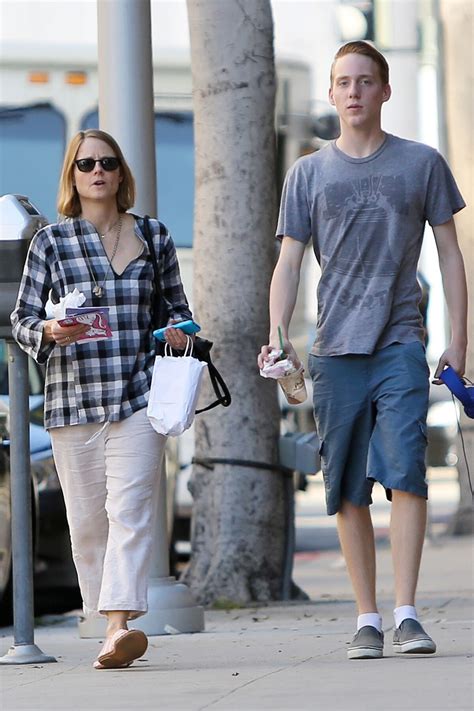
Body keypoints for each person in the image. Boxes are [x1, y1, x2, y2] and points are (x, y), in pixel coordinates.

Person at [258, 41, 468, 660]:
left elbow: (451, 253)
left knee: (406, 471)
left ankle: (406, 613)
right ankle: (367, 618)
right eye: (342, 83)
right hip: (333, 351)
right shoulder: (308, 173)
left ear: (384, 91)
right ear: (331, 94)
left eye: (364, 82)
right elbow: (289, 260)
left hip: (401, 341)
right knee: (347, 486)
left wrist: (462, 341)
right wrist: (276, 336)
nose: (353, 92)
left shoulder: (421, 164)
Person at [11, 129, 193, 669]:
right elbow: (20, 319)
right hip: (72, 401)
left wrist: (179, 332)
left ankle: (118, 627)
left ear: (120, 174)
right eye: (86, 163)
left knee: (131, 512)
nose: (97, 171)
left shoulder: (154, 236)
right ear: (72, 174)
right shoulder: (51, 242)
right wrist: (49, 331)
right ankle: (104, 617)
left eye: (107, 162)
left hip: (138, 397)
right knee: (88, 521)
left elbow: (177, 311)